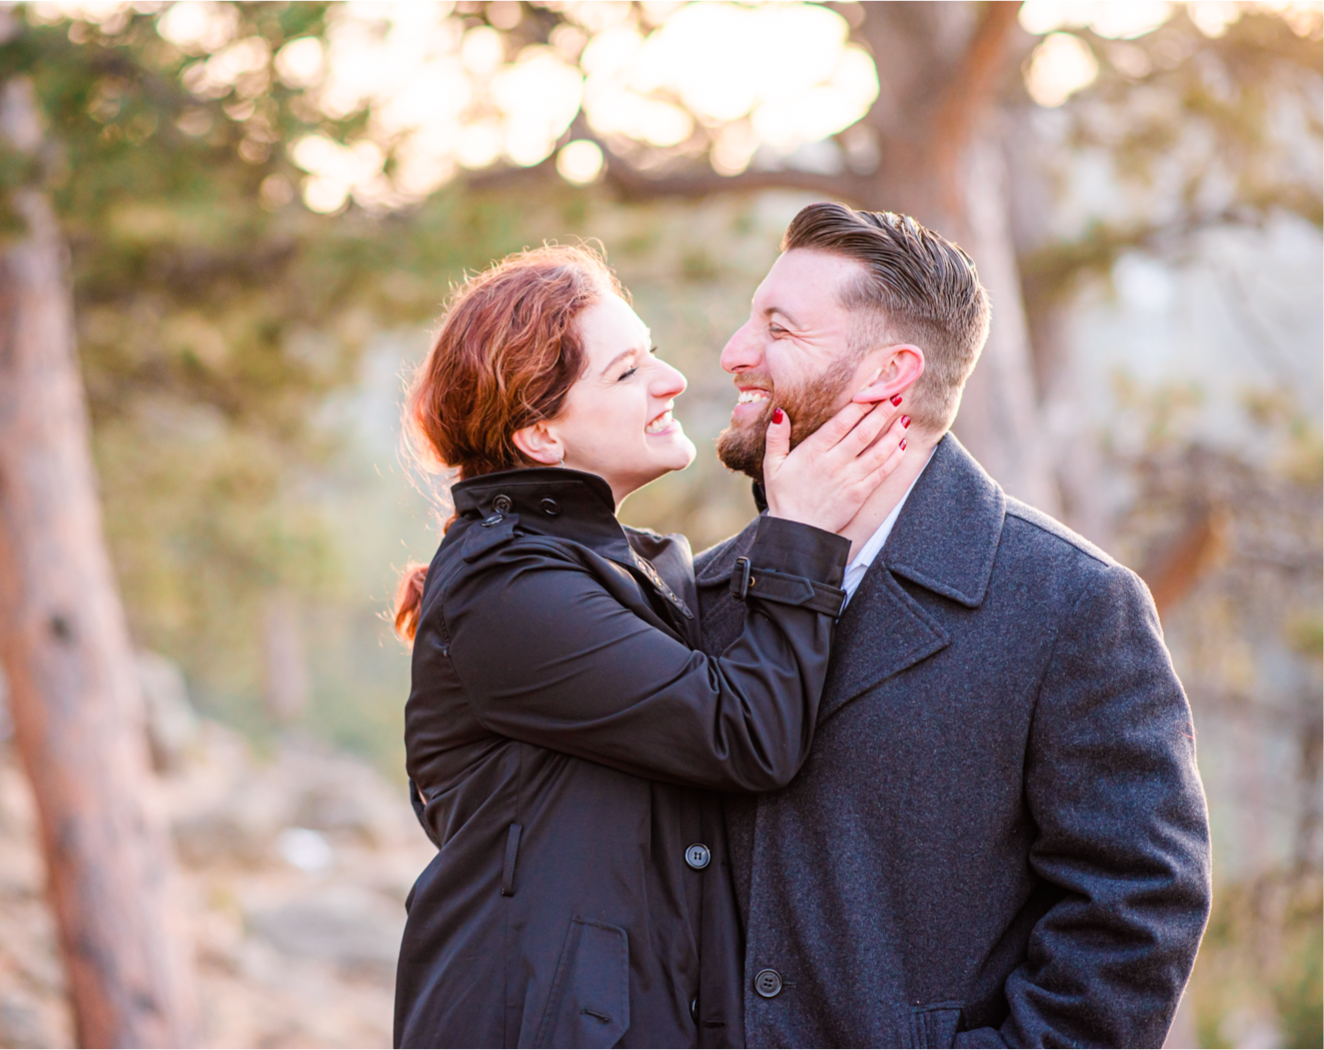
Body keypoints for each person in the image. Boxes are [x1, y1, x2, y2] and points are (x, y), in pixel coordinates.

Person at [694, 202, 1212, 1048]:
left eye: (778, 328)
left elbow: (1138, 911)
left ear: (888, 373)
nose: (734, 352)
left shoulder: (1071, 606)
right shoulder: (709, 591)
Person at [391, 243, 910, 1049]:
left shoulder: (604, 569)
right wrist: (800, 534)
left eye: (653, 355)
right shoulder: (509, 594)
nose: (670, 381)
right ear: (538, 437)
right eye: (628, 373)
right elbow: (746, 735)